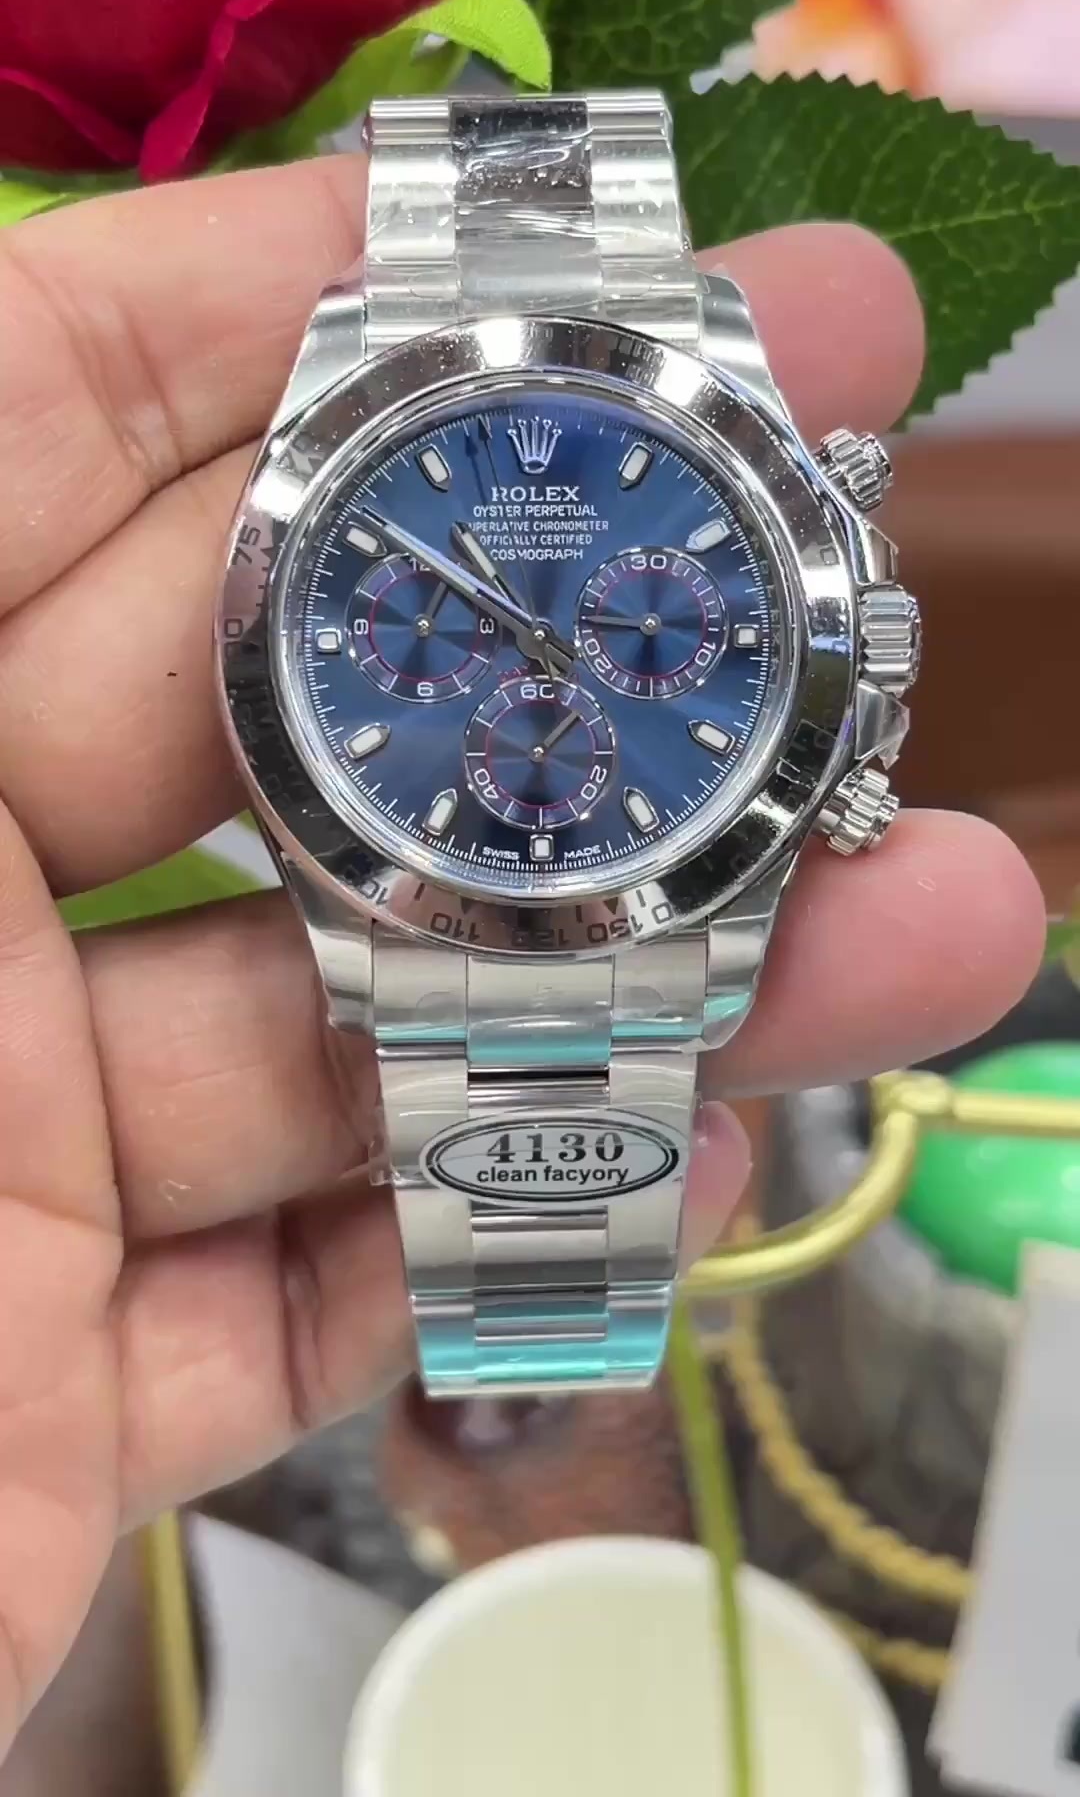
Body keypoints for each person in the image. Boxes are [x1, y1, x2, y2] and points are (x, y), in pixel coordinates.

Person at [0, 152, 1044, 1756]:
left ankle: (531, 1376)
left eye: (583, 635)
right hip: (441, 875)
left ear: (853, 639)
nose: (556, 646)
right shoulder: (331, 616)